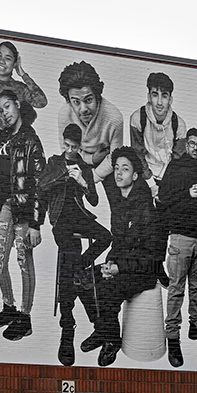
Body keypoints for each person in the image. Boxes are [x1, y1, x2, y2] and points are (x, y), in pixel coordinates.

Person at [81, 148, 167, 367]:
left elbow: (152, 258)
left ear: (136, 175)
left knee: (106, 289)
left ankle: (112, 341)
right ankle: (102, 329)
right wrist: (111, 263)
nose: (118, 173)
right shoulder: (119, 200)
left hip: (144, 271)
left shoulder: (147, 208)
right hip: (121, 264)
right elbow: (119, 242)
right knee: (81, 280)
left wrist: (120, 268)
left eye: (125, 169)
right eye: (116, 169)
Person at [39, 123, 112, 365]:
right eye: (67, 146)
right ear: (63, 143)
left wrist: (82, 181)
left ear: (80, 145)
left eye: (74, 147)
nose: (70, 150)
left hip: (79, 216)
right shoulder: (54, 162)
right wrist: (62, 176)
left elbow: (92, 199)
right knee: (69, 259)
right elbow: (41, 187)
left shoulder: (84, 166)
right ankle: (67, 327)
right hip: (61, 220)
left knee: (105, 237)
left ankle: (79, 269)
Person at [0, 90, 45, 341]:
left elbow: (40, 182)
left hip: (25, 210)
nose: (5, 112)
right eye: (1, 109)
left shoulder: (31, 139)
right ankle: (8, 306)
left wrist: (36, 223)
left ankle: (25, 317)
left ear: (17, 105)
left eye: (7, 106)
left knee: (23, 262)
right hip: (6, 206)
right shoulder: (3, 139)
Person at [159, 127, 197, 364]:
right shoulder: (175, 169)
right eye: (192, 143)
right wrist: (187, 194)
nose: (195, 148)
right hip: (181, 238)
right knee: (176, 288)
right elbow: (163, 198)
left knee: (196, 288)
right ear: (185, 145)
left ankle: (196, 326)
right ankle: (173, 338)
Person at [56, 61, 124, 203]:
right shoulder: (64, 114)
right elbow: (66, 150)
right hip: (78, 158)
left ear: (97, 95)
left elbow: (114, 156)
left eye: (88, 100)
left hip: (107, 161)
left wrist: (92, 178)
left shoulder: (114, 118)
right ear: (68, 100)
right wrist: (91, 160)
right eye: (76, 102)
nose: (83, 109)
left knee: (119, 203)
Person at [0, 41, 48, 138]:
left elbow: (41, 102)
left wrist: (23, 74)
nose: (1, 61)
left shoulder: (19, 87)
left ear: (15, 63)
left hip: (15, 142)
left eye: (8, 58)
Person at [129, 72, 188, 196]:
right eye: (155, 95)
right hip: (144, 175)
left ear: (171, 99)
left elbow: (177, 162)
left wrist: (164, 187)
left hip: (168, 179)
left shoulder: (180, 125)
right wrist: (151, 184)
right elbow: (137, 153)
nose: (159, 102)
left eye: (164, 96)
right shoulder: (138, 118)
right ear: (149, 97)